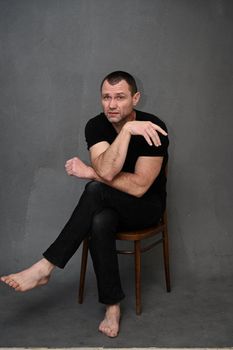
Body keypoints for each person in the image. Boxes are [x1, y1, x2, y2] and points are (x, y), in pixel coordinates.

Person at [1, 71, 169, 338]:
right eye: (106, 97)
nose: (112, 105)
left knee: (94, 187)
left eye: (120, 97)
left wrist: (91, 172)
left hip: (145, 208)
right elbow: (107, 169)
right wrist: (125, 132)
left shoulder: (153, 127)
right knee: (100, 220)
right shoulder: (97, 125)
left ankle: (46, 266)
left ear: (135, 98)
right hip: (112, 205)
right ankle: (112, 307)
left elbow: (138, 187)